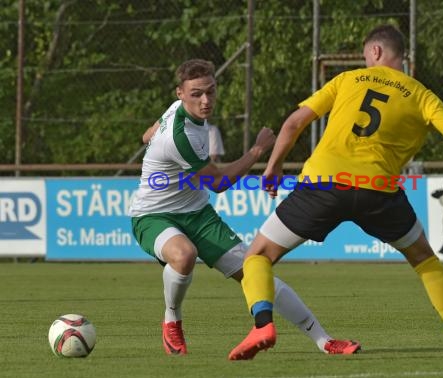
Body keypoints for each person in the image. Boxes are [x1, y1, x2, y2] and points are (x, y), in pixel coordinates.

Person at [228, 25, 443, 361]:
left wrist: (274, 165)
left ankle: (263, 323)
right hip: (378, 192)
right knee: (425, 260)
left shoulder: (347, 80)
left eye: (366, 54)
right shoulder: (422, 94)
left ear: (375, 52)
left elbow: (293, 123)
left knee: (258, 256)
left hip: (322, 185)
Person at [129, 59, 360, 356]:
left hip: (198, 215)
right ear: (180, 93)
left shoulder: (176, 112)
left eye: (211, 91)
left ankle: (324, 341)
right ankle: (172, 319)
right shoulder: (180, 135)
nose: (206, 100)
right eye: (197, 94)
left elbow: (146, 135)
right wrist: (258, 150)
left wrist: (153, 139)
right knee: (184, 255)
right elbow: (219, 183)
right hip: (153, 215)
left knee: (256, 272)